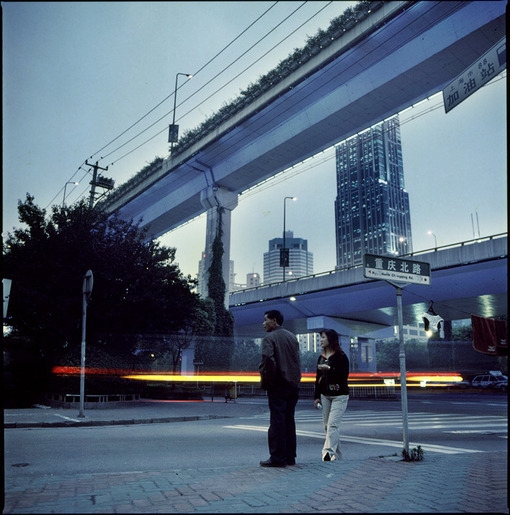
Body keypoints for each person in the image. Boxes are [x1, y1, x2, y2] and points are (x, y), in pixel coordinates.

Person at [258, 309, 301, 467]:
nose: (263, 323)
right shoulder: (292, 337)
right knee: (289, 420)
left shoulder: (269, 338)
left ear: (274, 321)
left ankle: (277, 457)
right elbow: (296, 361)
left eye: (265, 320)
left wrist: (267, 382)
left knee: (277, 420)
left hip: (278, 384)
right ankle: (290, 456)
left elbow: (268, 360)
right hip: (293, 384)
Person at [313, 328, 349, 462]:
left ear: (330, 339)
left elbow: (343, 376)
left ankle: (327, 454)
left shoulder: (341, 356)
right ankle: (337, 457)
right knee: (327, 427)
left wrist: (330, 369)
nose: (321, 340)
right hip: (325, 395)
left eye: (323, 337)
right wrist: (316, 397)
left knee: (333, 425)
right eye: (320, 338)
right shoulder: (321, 358)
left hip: (340, 395)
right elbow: (318, 379)